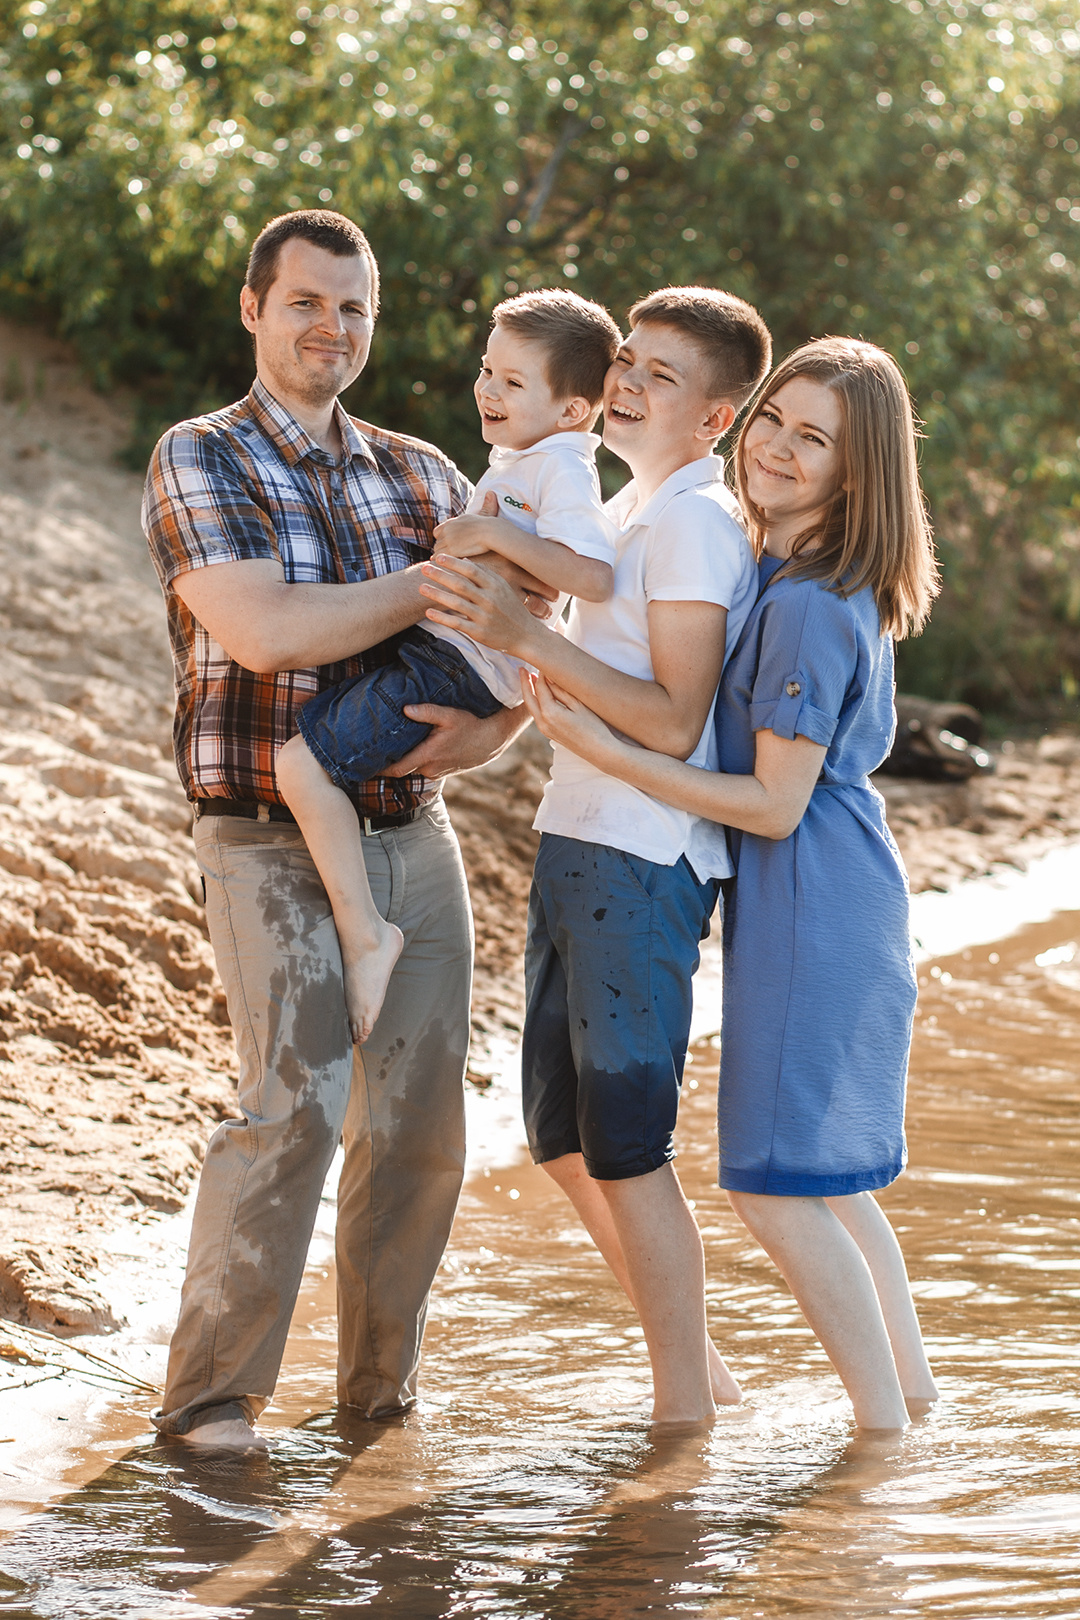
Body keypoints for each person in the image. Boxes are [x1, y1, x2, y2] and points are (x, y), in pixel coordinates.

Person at [142, 209, 541, 1450]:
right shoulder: (201, 457)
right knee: (291, 1108)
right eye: (308, 301)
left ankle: (378, 1397)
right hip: (263, 833)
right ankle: (213, 1402)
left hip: (413, 836)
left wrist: (473, 738)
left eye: (356, 307)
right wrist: (423, 591)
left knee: (422, 1128)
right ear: (255, 309)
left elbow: (513, 669)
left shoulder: (427, 474)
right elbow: (265, 631)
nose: (334, 326)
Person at [519, 337, 941, 1432]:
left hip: (815, 904)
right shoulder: (805, 580)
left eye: (818, 439)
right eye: (775, 420)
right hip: (836, 897)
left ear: (863, 473)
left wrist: (612, 753)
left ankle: (880, 1444)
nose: (781, 449)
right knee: (826, 1181)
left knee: (768, 1184)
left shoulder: (805, 603)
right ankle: (915, 1403)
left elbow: (772, 804)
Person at [418, 287, 773, 1425]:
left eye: (662, 374)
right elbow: (573, 674)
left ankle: (684, 1422)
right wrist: (490, 718)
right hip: (577, 834)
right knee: (560, 1136)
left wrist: (523, 636)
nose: (626, 382)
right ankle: (705, 1380)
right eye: (628, 358)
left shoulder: (697, 523)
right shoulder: (622, 510)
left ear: (715, 418)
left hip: (645, 854)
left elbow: (674, 720)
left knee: (625, 1144)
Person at [275, 289, 621, 1046]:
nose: (488, 390)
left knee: (301, 766)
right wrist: (480, 539)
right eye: (487, 370)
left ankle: (366, 934)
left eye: (514, 382)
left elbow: (592, 575)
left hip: (458, 666)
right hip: (455, 655)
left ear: (573, 411)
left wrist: (478, 535)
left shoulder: (561, 470)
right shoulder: (527, 458)